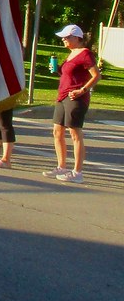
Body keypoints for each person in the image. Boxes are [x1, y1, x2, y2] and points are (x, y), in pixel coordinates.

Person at [44, 24, 102, 183]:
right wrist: (57, 69)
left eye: (67, 37)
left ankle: (77, 172)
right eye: (63, 37)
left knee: (75, 133)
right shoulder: (71, 54)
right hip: (62, 96)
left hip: (76, 98)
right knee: (57, 132)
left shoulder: (85, 54)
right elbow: (68, 75)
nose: (64, 40)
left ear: (77, 38)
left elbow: (96, 76)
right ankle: (61, 166)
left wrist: (82, 90)